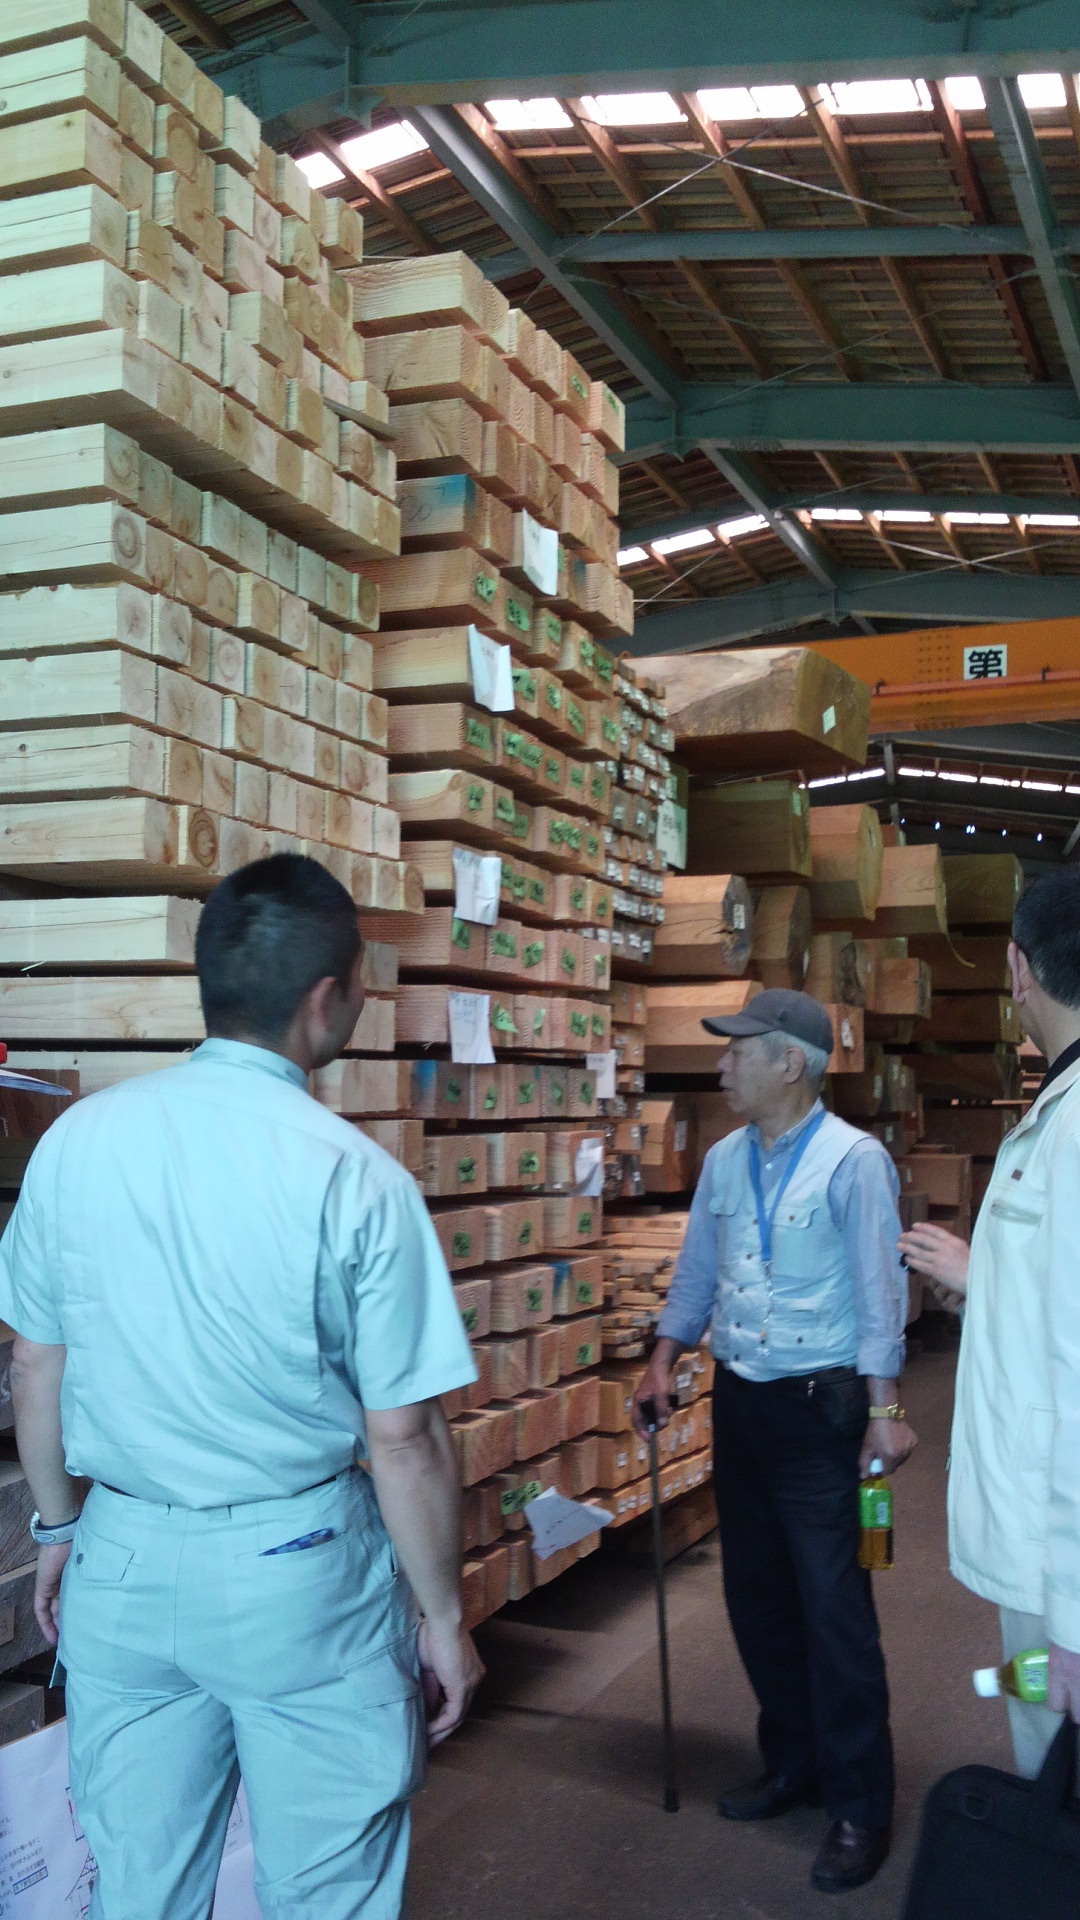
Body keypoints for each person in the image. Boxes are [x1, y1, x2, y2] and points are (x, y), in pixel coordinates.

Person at [0, 853, 483, 1920]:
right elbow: (403, 1438)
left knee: (140, 1890)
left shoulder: (76, 1143)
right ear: (328, 998)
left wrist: (61, 1529)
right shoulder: (356, 1178)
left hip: (123, 1557)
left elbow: (34, 1363)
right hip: (298, 1571)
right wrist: (444, 1616)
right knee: (325, 1892)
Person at [632, 989, 916, 1893]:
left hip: (821, 1411)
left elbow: (879, 1293)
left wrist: (885, 1409)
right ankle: (794, 1762)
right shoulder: (723, 1160)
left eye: (737, 1051)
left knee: (835, 1610)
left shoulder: (854, 1162)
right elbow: (697, 1274)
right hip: (743, 1404)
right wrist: (662, 1361)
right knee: (757, 1599)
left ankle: (861, 1804)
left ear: (789, 1062)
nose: (721, 1066)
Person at [899, 864, 1080, 1779]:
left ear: (1018, 968)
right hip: (1045, 1553)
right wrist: (984, 1284)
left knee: (1055, 1781)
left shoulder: (1075, 1132)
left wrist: (1076, 1621)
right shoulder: (1058, 1113)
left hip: (1062, 1567)